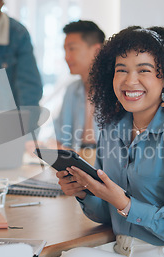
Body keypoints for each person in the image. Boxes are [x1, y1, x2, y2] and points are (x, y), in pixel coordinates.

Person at [54, 26, 164, 257]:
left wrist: (125, 204)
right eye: (121, 70)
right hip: (127, 248)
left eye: (144, 70)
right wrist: (85, 192)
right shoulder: (111, 132)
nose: (130, 81)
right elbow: (106, 214)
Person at [54, 20, 104, 164]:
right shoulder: (72, 90)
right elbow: (61, 140)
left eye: (72, 49)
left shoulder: (116, 89)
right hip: (77, 163)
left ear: (96, 50)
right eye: (65, 50)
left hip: (108, 167)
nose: (66, 57)